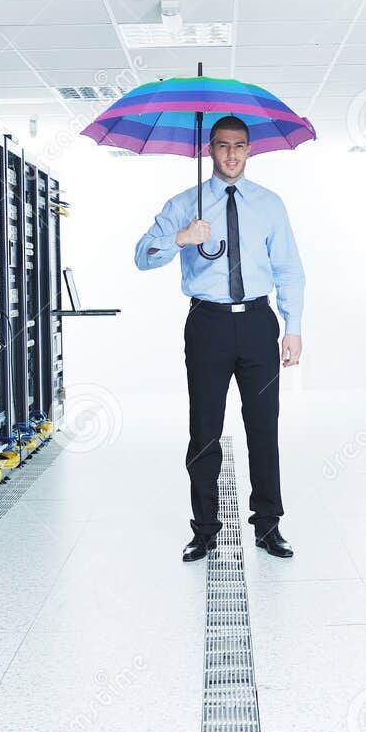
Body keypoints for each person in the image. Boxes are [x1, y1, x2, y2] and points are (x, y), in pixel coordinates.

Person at [133, 115, 305, 562]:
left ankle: (268, 526)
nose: (231, 154)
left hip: (257, 322)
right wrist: (180, 237)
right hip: (207, 324)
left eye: (240, 146)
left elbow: (288, 269)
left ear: (250, 150)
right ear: (209, 149)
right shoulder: (185, 203)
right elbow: (142, 257)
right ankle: (205, 529)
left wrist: (294, 328)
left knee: (264, 427)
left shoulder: (270, 204)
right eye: (223, 145)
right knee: (204, 431)